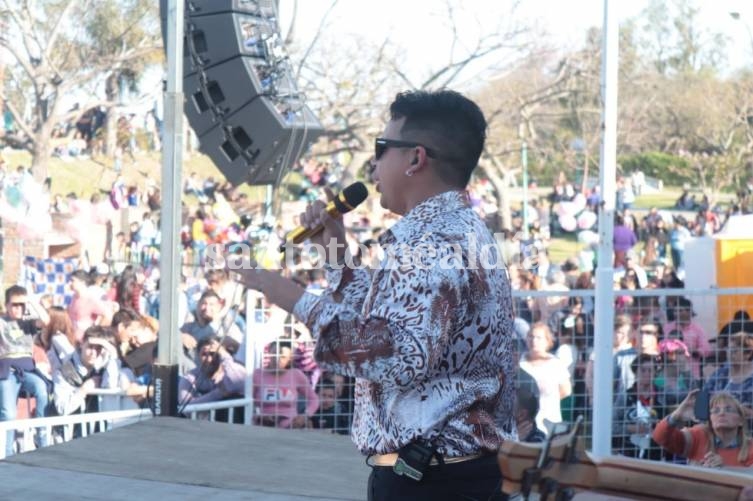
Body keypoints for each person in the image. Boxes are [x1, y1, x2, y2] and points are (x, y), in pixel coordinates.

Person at [229, 89, 514, 500]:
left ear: (416, 158)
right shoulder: (456, 229)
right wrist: (334, 247)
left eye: (381, 149)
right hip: (444, 473)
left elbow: (398, 354)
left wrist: (286, 294)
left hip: (434, 481)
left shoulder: (435, 241)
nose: (373, 166)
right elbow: (387, 323)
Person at [0, 286, 50, 455]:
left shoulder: (29, 322)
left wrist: (31, 300)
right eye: (14, 304)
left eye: (22, 305)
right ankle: (6, 453)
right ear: (6, 305)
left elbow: (46, 320)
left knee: (42, 391)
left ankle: (41, 434)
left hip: (27, 368)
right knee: (8, 413)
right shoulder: (1, 321)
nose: (18, 308)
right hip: (7, 369)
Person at [653, 390, 753, 467]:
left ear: (740, 420)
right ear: (710, 419)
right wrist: (676, 415)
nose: (722, 413)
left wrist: (724, 469)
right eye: (716, 411)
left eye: (728, 409)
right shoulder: (698, 435)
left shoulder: (750, 448)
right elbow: (660, 437)